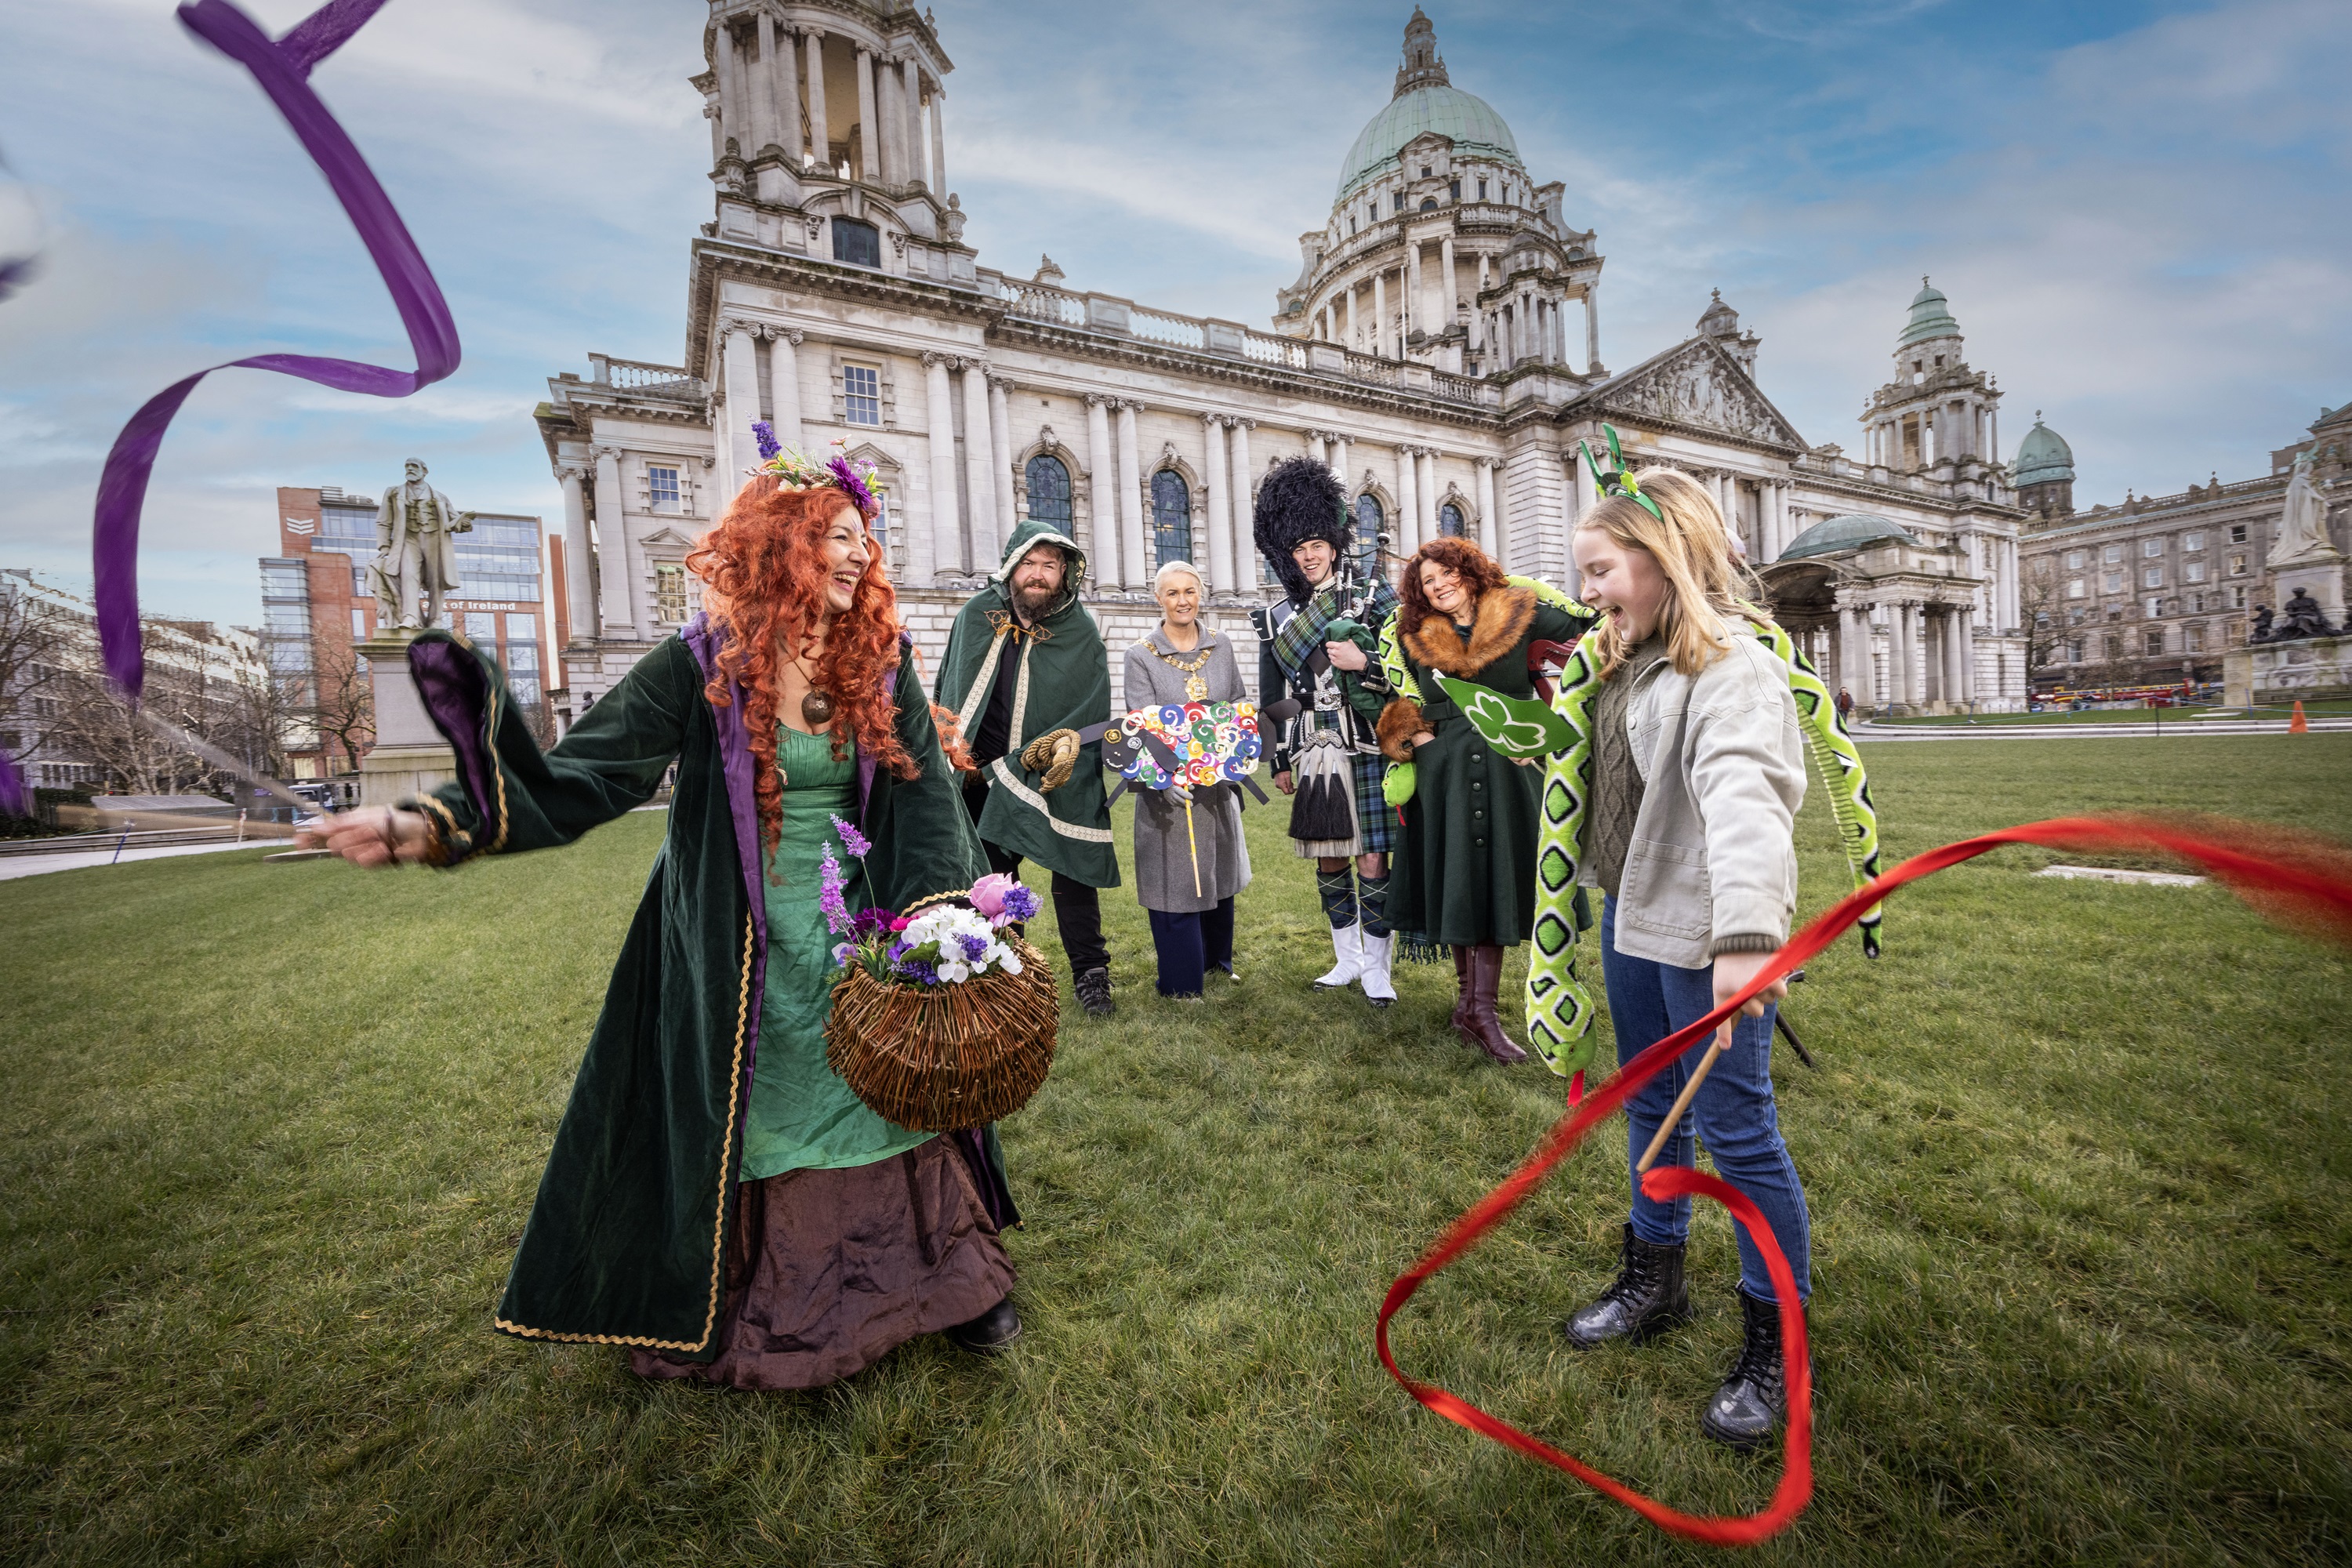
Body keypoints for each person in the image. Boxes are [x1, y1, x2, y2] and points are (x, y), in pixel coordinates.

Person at [303, 450, 1023, 1388]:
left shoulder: (879, 656)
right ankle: (775, 1303)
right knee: (769, 1092)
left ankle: (947, 1278)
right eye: (838, 538)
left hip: (861, 921)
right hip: (739, 929)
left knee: (889, 1075)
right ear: (787, 548)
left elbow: (925, 796)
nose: (860, 556)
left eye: (865, 538)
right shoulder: (703, 661)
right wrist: (430, 820)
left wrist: (948, 916)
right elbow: (586, 770)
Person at [1550, 463, 1812, 1450]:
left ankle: (1774, 1341)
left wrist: (1748, 941)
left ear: (1665, 562)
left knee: (1737, 1132)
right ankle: (1654, 1278)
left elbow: (1749, 798)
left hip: (1707, 938)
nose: (1587, 595)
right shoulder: (1632, 662)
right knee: (1653, 1106)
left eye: (1601, 571)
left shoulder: (1730, 668)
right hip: (1635, 918)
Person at [1374, 539, 1595, 1062]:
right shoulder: (1411, 635)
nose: (1440, 584)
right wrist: (1417, 736)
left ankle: (1479, 1009)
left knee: (1493, 876)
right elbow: (1396, 693)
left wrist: (1543, 726)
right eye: (1428, 581)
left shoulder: (1520, 611)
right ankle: (1472, 1008)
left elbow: (1591, 633)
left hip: (1508, 765)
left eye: (1447, 572)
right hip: (1443, 769)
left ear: (1468, 571)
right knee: (1459, 878)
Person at [938, 517, 1120, 1018]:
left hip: (1052, 768)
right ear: (1012, 567)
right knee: (990, 878)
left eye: (1050, 566)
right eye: (1030, 564)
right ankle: (1002, 972)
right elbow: (950, 688)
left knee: (1072, 869)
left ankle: (1091, 974)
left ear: (1065, 573)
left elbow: (1088, 707)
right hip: (979, 770)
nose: (1038, 575)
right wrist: (957, 753)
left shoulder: (1079, 629)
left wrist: (1058, 750)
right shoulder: (977, 614)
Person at [1250, 456, 1401, 1004]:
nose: (1308, 555)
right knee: (1332, 855)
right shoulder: (1276, 617)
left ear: (1334, 545)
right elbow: (1274, 697)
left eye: (1317, 544)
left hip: (1366, 741)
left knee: (1373, 859)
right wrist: (1279, 760)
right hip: (1313, 745)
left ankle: (1379, 967)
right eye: (1298, 548)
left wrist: (1366, 666)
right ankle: (1348, 958)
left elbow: (1409, 667)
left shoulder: (1376, 595)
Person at [1123, 560, 1252, 999]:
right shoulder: (1140, 654)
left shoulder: (1222, 645)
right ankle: (1180, 984)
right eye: (1173, 593)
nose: (1183, 601)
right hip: (1169, 793)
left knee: (1218, 872)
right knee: (1176, 880)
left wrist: (1234, 756)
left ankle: (1218, 961)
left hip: (1216, 786)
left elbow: (1237, 702)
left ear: (1202, 595)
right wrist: (1165, 778)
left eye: (1190, 591)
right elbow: (1142, 725)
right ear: (1158, 599)